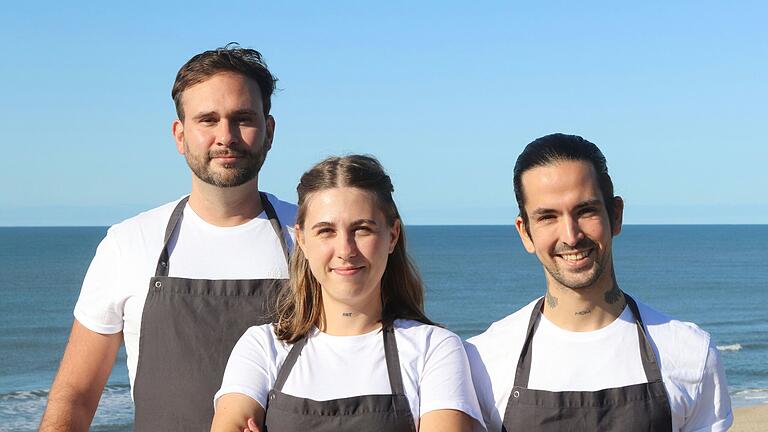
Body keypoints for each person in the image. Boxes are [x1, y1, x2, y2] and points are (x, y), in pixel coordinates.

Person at [39, 44, 297, 431]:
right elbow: (75, 395)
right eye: (207, 120)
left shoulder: (316, 237)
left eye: (242, 118)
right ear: (180, 135)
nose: (225, 136)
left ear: (269, 130)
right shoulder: (128, 244)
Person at [465, 133, 733, 432]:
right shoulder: (483, 361)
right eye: (548, 217)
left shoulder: (690, 354)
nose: (570, 235)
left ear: (615, 215)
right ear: (525, 232)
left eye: (585, 211)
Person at [211, 155, 485, 432]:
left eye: (362, 229)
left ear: (392, 236)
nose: (345, 250)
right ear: (302, 240)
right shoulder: (263, 347)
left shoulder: (434, 349)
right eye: (326, 231)